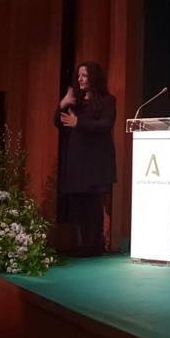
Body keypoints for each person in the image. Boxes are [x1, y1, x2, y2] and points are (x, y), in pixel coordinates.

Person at [55, 61, 117, 256]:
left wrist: (78, 122)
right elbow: (58, 122)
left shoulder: (108, 100)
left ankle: (94, 245)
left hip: (95, 161)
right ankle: (85, 243)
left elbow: (106, 125)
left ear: (94, 78)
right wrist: (63, 104)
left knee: (92, 203)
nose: (80, 79)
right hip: (77, 159)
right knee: (78, 202)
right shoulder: (76, 102)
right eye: (79, 75)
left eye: (85, 75)